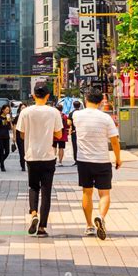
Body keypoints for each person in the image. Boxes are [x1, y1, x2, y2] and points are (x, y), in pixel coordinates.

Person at [73, 88, 121, 240]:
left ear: (86, 99)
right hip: (102, 160)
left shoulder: (77, 115)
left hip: (83, 160)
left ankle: (88, 226)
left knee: (87, 192)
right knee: (104, 193)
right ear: (101, 102)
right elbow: (114, 140)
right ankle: (101, 217)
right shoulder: (106, 118)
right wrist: (118, 158)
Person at [16, 82, 63, 238]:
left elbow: (21, 134)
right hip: (48, 156)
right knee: (46, 191)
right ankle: (42, 227)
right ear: (48, 96)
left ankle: (34, 213)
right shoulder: (54, 112)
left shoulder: (26, 112)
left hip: (31, 156)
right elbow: (58, 135)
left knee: (33, 187)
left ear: (34, 95)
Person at [0, 105, 13, 171]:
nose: (8, 111)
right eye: (7, 110)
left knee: (7, 152)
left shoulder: (8, 118)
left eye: (9, 110)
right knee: (1, 151)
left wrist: (10, 121)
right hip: (0, 137)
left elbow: (11, 128)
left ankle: (1, 161)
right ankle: (2, 165)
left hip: (6, 137)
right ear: (3, 110)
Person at [12, 103, 27, 171]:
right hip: (19, 137)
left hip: (28, 137)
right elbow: (14, 128)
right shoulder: (17, 117)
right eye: (22, 108)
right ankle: (23, 165)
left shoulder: (29, 116)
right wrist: (14, 137)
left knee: (27, 151)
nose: (23, 109)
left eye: (24, 108)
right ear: (20, 109)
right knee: (22, 151)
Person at [68, 100, 83, 165]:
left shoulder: (71, 113)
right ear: (80, 106)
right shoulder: (82, 113)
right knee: (82, 146)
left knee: (75, 146)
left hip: (74, 132)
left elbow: (69, 123)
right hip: (82, 131)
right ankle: (82, 159)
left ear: (73, 106)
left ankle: (76, 160)